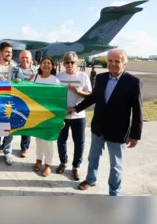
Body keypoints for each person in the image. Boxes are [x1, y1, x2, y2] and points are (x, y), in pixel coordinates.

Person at [68, 49, 143, 196]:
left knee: (116, 166)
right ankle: (90, 179)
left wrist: (135, 135)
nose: (113, 64)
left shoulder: (133, 82)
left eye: (117, 61)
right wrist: (76, 108)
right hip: (98, 128)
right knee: (93, 157)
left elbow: (138, 110)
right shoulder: (101, 78)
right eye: (110, 61)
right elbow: (93, 98)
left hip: (118, 131)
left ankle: (114, 193)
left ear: (124, 63)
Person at [56, 51, 92, 180]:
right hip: (63, 115)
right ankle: (63, 162)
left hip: (78, 116)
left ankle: (76, 166)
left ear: (77, 63)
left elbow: (90, 95)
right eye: (67, 62)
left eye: (72, 62)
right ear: (63, 63)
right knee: (61, 141)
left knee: (79, 142)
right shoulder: (59, 77)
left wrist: (78, 91)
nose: (70, 64)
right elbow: (54, 96)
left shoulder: (83, 76)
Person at [31, 57, 60, 177]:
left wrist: (59, 117)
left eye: (49, 63)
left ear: (52, 66)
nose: (46, 65)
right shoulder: (35, 78)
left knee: (48, 140)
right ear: (40, 65)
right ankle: (38, 159)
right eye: (44, 63)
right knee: (38, 139)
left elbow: (58, 100)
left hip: (50, 114)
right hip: (37, 113)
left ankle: (48, 164)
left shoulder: (55, 80)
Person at [0, 42, 17, 165]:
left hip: (11, 102)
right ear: (0, 52)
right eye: (7, 52)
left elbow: (21, 82)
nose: (9, 54)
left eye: (11, 52)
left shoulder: (15, 67)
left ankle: (7, 152)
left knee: (10, 129)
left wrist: (18, 81)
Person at [11, 50, 38, 157]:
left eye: (27, 58)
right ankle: (5, 145)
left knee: (27, 124)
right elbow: (11, 83)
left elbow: (39, 85)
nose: (24, 60)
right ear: (19, 58)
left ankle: (24, 148)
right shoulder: (15, 69)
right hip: (17, 100)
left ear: (31, 59)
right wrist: (15, 81)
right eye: (22, 57)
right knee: (13, 123)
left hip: (30, 102)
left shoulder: (36, 70)